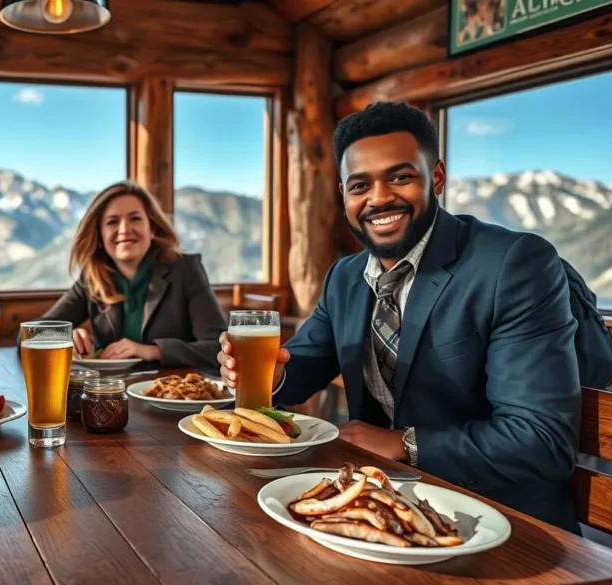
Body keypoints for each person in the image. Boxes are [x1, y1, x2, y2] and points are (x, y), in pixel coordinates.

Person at [218, 101, 582, 533]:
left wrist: (404, 444)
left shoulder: (513, 264)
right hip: (377, 509)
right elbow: (302, 363)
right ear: (344, 195)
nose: (379, 198)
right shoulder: (346, 277)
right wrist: (262, 375)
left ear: (438, 178)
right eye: (359, 185)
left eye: (400, 177)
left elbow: (541, 441)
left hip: (498, 520)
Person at [39, 180, 226, 369]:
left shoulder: (186, 269)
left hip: (175, 392)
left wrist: (150, 350)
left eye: (135, 218)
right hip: (108, 393)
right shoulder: (91, 278)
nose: (125, 229)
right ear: (100, 237)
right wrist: (64, 336)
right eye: (112, 222)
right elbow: (29, 335)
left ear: (152, 229)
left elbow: (219, 349)